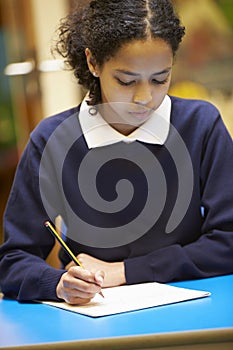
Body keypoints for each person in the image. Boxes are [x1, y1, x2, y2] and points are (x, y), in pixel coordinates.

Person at [0, 0, 233, 306]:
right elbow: (13, 260)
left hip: (195, 306)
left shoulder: (201, 125)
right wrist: (58, 284)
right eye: (126, 81)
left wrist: (123, 272)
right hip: (92, 317)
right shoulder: (53, 140)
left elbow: (228, 240)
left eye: (160, 78)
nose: (144, 98)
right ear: (93, 62)